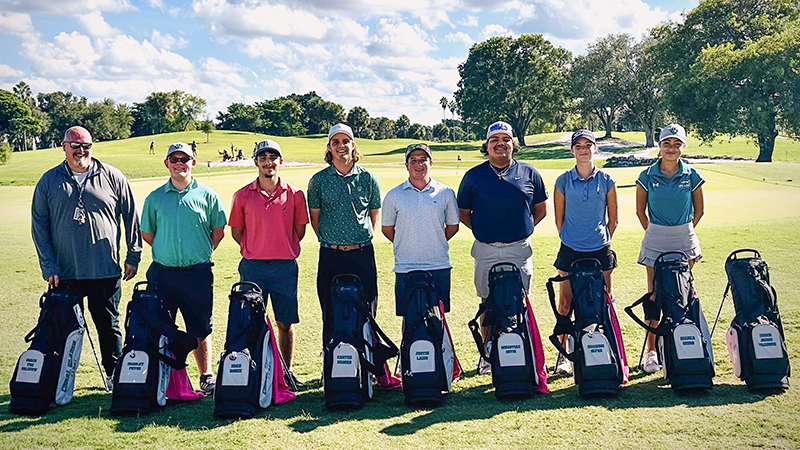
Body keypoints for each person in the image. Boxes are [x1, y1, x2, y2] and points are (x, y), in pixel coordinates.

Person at [31, 126, 142, 390]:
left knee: (109, 326)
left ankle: (114, 373)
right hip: (65, 272)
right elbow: (39, 225)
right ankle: (55, 377)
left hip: (105, 268)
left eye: (87, 146)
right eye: (76, 145)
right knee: (61, 327)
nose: (82, 151)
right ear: (64, 146)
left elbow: (131, 217)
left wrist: (133, 255)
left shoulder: (113, 176)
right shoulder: (49, 181)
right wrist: (48, 266)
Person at [307, 123, 399, 387]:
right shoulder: (319, 181)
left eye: (345, 141)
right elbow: (316, 219)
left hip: (362, 254)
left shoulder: (368, 179)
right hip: (331, 255)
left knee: (367, 310)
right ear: (329, 148)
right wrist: (335, 239)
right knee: (330, 312)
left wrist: (357, 236)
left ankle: (371, 368)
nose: (340, 146)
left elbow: (373, 214)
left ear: (353, 145)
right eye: (335, 142)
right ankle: (331, 366)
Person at [457, 121, 548, 375]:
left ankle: (523, 347)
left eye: (505, 139)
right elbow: (464, 213)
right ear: (486, 146)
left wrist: (521, 228)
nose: (500, 144)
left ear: (513, 145)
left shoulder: (529, 172)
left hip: (519, 249)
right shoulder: (474, 176)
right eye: (494, 139)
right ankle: (487, 354)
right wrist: (484, 230)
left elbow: (540, 210)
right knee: (487, 303)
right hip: (485, 248)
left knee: (520, 301)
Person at [141, 142, 227, 394]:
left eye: (184, 159)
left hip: (197, 273)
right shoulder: (155, 197)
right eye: (174, 159)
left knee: (200, 326)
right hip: (163, 273)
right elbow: (148, 233)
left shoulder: (208, 195)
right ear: (167, 163)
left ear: (193, 163)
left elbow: (218, 232)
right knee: (161, 326)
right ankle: (164, 377)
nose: (180, 163)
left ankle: (206, 376)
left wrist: (196, 251)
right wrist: (170, 251)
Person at [229, 139, 309, 390]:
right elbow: (237, 232)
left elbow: (299, 230)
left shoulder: (295, 195)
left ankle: (286, 372)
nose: (268, 162)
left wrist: (278, 247)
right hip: (252, 267)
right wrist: (258, 247)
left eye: (273, 157)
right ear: (256, 162)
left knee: (285, 322)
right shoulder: (242, 195)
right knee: (251, 321)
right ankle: (253, 372)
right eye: (263, 157)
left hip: (284, 267)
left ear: (280, 162)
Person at [635, 123, 705, 374]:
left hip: (684, 237)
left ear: (683, 147)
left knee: (684, 292)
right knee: (654, 295)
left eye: (677, 144)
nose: (671, 148)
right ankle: (652, 352)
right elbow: (640, 212)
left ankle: (685, 345)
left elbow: (699, 211)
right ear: (660, 146)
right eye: (667, 143)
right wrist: (656, 232)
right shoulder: (646, 175)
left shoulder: (692, 175)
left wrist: (682, 230)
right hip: (655, 237)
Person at [551, 129, 619, 375]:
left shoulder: (607, 180)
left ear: (595, 149)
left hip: (600, 250)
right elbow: (559, 220)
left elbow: (613, 220)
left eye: (587, 145)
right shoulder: (563, 181)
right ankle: (563, 356)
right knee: (565, 304)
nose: (583, 149)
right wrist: (573, 238)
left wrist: (598, 239)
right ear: (572, 150)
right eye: (578, 145)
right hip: (570, 249)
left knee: (605, 299)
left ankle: (608, 349)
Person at [382, 143, 459, 317]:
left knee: (438, 318)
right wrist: (406, 240)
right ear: (406, 165)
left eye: (423, 160)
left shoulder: (446, 193)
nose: (419, 165)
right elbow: (387, 229)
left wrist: (434, 239)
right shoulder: (394, 195)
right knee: (408, 319)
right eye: (413, 160)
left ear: (431, 163)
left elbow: (453, 227)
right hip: (405, 267)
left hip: (438, 266)